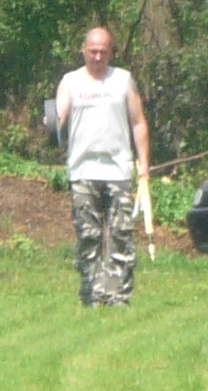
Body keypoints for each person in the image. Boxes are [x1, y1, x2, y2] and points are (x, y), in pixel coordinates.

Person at [54, 26, 151, 306]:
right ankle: (92, 294)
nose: (97, 57)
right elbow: (58, 118)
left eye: (103, 52)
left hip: (118, 170)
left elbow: (138, 122)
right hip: (83, 171)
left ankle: (118, 296)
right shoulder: (71, 82)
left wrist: (144, 166)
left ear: (110, 52)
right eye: (93, 52)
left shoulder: (122, 80)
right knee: (89, 236)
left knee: (121, 235)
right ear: (84, 51)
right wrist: (51, 123)